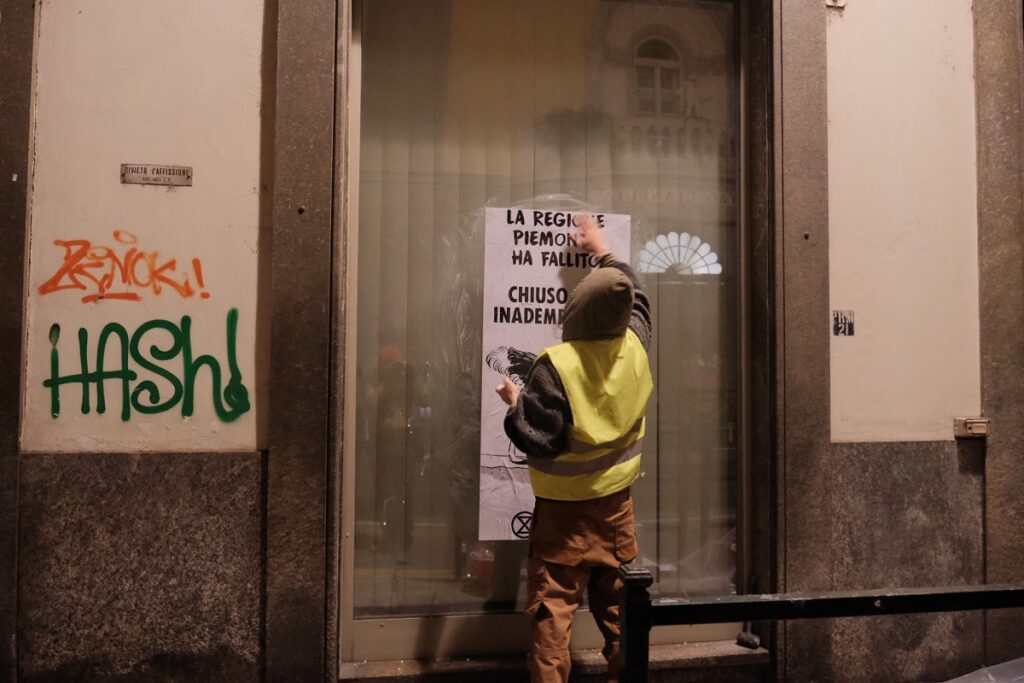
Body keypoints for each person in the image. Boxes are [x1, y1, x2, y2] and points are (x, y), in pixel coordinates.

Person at [496, 214, 653, 683]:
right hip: (616, 508)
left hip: (563, 517)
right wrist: (602, 250)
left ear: (574, 314)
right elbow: (637, 296)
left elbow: (536, 436)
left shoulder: (555, 365)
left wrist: (514, 404)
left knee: (553, 617)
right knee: (621, 613)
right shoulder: (637, 347)